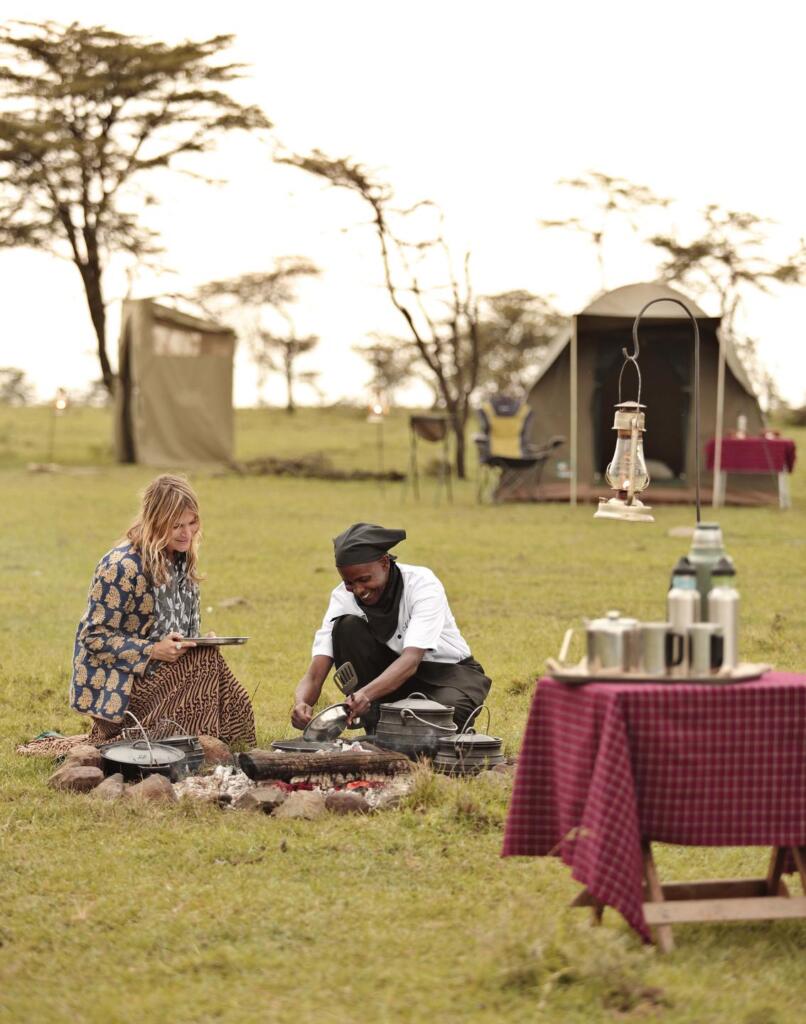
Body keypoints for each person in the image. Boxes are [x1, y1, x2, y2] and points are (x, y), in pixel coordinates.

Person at [70, 474, 256, 747]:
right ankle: (138, 741)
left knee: (214, 669)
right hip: (122, 687)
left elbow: (176, 634)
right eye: (176, 526)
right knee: (204, 666)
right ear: (155, 523)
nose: (187, 533)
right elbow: (94, 636)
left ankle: (212, 746)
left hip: (165, 674)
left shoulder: (181, 559)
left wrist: (200, 640)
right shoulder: (121, 566)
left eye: (192, 523)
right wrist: (152, 650)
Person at [292, 523, 491, 733]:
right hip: (389, 677)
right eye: (349, 582)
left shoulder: (422, 584)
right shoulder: (343, 597)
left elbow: (411, 660)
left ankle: (398, 729)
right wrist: (301, 703)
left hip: (447, 675)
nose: (358, 590)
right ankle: (377, 725)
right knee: (347, 627)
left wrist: (366, 694)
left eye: (364, 579)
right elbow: (315, 673)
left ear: (385, 562)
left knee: (445, 715)